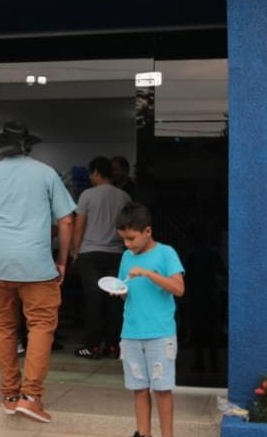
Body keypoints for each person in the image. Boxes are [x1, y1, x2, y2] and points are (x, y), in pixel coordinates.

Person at [0, 121, 75, 424]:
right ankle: (31, 396)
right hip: (37, 265)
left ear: (0, 147)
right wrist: (62, 260)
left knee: (5, 328)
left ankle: (10, 395)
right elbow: (66, 221)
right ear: (28, 146)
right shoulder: (46, 173)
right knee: (40, 326)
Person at [115, 202, 185, 437]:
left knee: (163, 389)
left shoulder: (166, 253)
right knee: (138, 388)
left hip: (160, 333)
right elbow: (127, 292)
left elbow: (178, 288)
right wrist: (120, 292)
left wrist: (148, 273)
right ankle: (143, 434)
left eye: (132, 238)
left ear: (148, 231)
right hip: (131, 333)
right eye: (124, 239)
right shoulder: (126, 256)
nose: (128, 244)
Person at [71, 156, 131, 359]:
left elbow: (79, 225)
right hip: (116, 254)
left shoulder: (87, 195)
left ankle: (93, 346)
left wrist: (74, 252)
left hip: (90, 254)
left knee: (93, 300)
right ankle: (114, 345)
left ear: (96, 173)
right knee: (115, 300)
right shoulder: (124, 197)